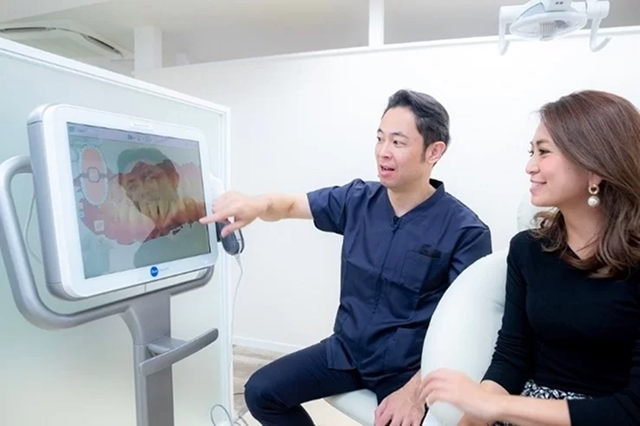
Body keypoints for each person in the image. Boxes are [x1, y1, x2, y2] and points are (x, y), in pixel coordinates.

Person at [200, 89, 492, 426]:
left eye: (398, 142)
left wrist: (414, 392)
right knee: (261, 392)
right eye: (380, 139)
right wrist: (257, 203)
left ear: (434, 151)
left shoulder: (466, 231)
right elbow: (291, 205)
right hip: (347, 352)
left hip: (408, 370)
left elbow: (463, 333)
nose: (383, 152)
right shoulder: (358, 199)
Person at [420, 90, 640, 426]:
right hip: (523, 413)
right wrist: (474, 416)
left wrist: (494, 406)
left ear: (595, 166)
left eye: (544, 152)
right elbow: (512, 357)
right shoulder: (527, 250)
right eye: (531, 151)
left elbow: (633, 409)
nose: (530, 166)